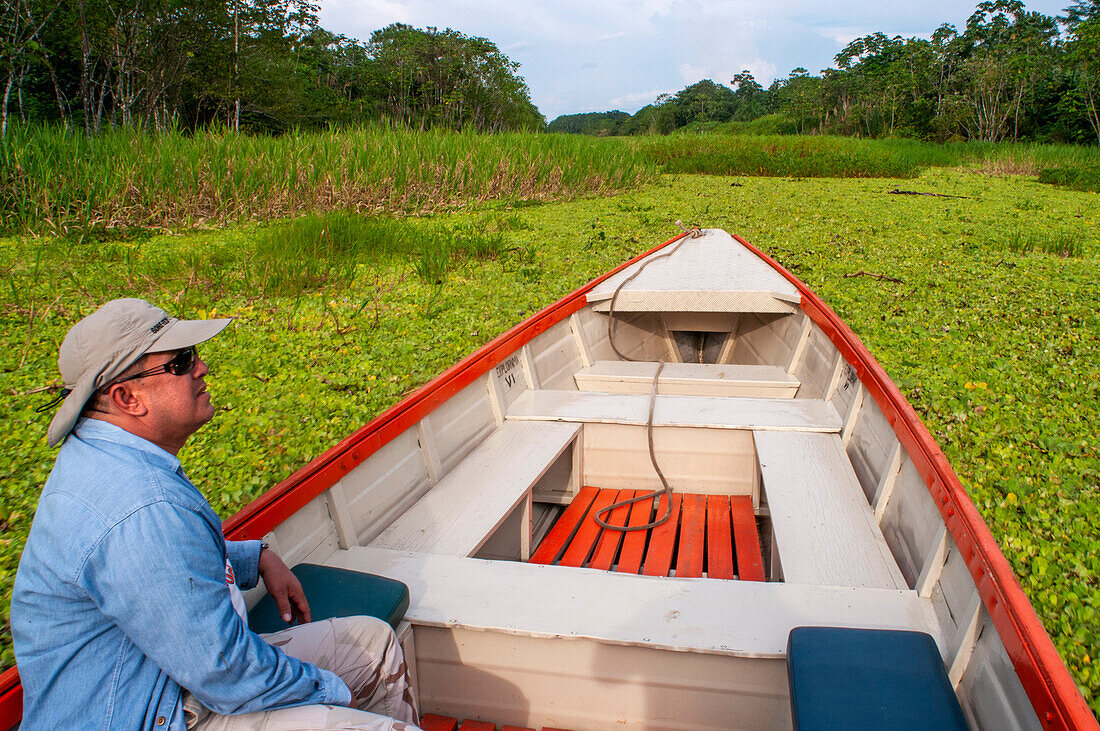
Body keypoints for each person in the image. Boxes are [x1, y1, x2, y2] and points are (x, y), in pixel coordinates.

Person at [11, 298, 421, 731]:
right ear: (127, 397)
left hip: (172, 677)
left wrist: (255, 557)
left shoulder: (109, 457)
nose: (201, 366)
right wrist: (333, 692)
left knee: (374, 645)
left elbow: (160, 563)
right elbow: (227, 673)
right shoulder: (141, 508)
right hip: (154, 712)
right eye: (181, 361)